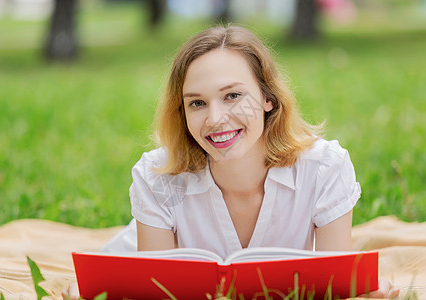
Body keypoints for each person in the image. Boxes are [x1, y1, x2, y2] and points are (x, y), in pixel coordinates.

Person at [63, 25, 399, 299]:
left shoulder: (325, 166)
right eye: (197, 103)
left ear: (268, 98)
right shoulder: (158, 177)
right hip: (138, 245)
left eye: (233, 96)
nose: (215, 118)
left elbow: (335, 287)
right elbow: (157, 290)